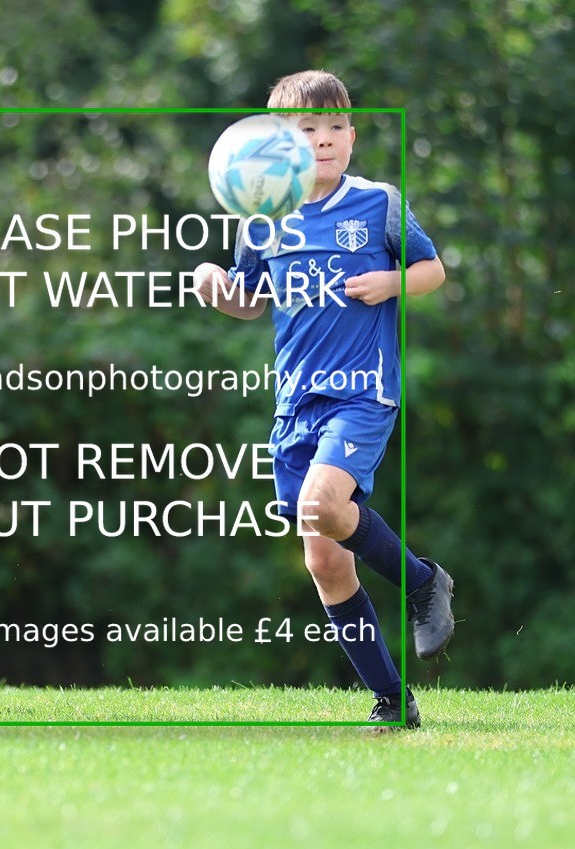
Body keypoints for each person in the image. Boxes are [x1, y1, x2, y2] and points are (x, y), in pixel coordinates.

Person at [194, 70, 455, 729]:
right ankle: (393, 701)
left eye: (337, 126)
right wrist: (214, 288)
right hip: (295, 405)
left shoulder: (377, 203)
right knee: (324, 560)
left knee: (322, 505)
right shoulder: (261, 220)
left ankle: (425, 582)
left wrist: (390, 283)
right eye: (309, 129)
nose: (326, 138)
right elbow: (249, 300)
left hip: (363, 393)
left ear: (353, 136)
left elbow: (432, 269)